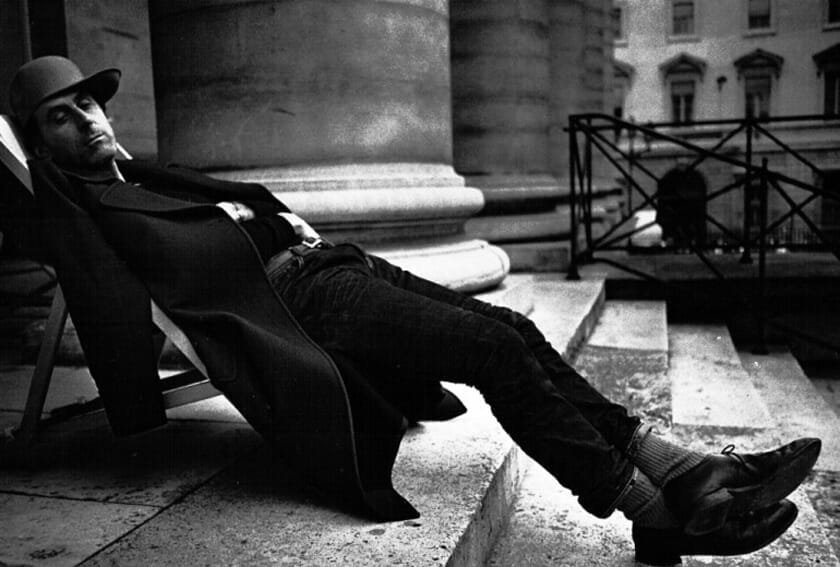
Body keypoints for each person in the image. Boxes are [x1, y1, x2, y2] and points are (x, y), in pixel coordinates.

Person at [7, 56, 821, 565]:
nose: (87, 120)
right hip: (301, 299)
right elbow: (87, 280)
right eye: (61, 117)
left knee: (515, 328)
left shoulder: (141, 177)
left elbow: (236, 202)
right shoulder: (88, 211)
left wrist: (279, 217)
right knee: (495, 355)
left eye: (91, 103)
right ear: (42, 146)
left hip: (335, 263)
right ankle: (654, 508)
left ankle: (679, 467)